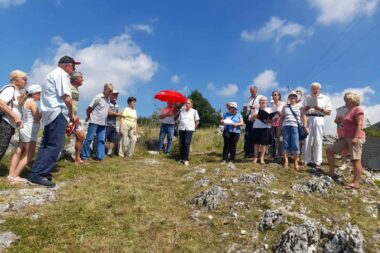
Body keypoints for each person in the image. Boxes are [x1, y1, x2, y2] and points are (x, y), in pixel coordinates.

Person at [28, 56, 80, 187]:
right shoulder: (62, 75)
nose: (74, 69)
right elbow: (67, 98)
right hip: (58, 113)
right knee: (55, 145)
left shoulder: (50, 75)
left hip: (49, 114)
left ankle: (36, 172)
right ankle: (39, 175)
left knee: (46, 144)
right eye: (73, 66)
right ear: (67, 66)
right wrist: (72, 115)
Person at [326, 92, 365, 189]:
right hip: (346, 137)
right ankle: (331, 172)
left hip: (356, 137)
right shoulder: (348, 111)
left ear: (353, 100)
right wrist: (342, 136)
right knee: (329, 151)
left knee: (355, 159)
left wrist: (356, 137)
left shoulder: (358, 109)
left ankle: (356, 183)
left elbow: (360, 124)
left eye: (346, 99)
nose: (345, 101)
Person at [8, 85, 41, 184]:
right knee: (30, 155)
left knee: (18, 152)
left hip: (24, 128)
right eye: (40, 94)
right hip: (29, 130)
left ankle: (11, 175)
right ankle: (15, 176)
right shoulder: (32, 102)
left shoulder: (26, 101)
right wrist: (44, 112)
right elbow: (37, 117)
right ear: (35, 94)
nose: (41, 96)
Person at [303, 82, 332, 169]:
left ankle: (318, 161)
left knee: (318, 139)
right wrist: (307, 107)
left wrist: (320, 108)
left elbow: (329, 112)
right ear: (311, 89)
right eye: (313, 88)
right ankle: (307, 160)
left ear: (319, 89)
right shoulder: (307, 98)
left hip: (319, 118)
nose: (314, 90)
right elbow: (302, 111)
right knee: (307, 140)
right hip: (309, 118)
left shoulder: (325, 98)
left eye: (316, 88)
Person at [81, 83, 113, 162]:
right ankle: (85, 156)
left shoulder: (108, 99)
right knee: (89, 139)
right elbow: (89, 108)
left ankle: (100, 157)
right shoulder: (98, 97)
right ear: (105, 89)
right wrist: (88, 117)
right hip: (94, 121)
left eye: (111, 91)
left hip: (103, 123)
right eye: (110, 91)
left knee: (101, 140)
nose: (111, 93)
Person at [0, 70, 27, 161]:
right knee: (1, 148)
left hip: (8, 124)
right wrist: (15, 117)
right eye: (24, 79)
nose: (26, 81)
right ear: (16, 80)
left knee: (2, 148)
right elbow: (1, 103)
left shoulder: (17, 92)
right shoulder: (10, 89)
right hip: (4, 123)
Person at [279, 92, 307, 171]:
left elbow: (304, 116)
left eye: (294, 96)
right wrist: (280, 128)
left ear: (296, 98)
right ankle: (286, 161)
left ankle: (296, 162)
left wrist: (305, 126)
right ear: (288, 98)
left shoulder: (300, 106)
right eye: (290, 96)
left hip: (295, 126)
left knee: (295, 144)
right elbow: (281, 118)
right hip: (286, 126)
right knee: (285, 143)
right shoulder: (285, 107)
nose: (292, 97)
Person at [70, 71, 86, 165]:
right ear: (76, 79)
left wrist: (75, 116)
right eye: (81, 77)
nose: (83, 79)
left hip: (73, 117)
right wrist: (71, 115)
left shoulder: (76, 90)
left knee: (80, 136)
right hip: (67, 117)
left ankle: (77, 159)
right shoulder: (69, 88)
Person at [178, 99, 200, 166]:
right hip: (181, 129)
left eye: (188, 103)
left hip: (189, 129)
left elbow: (197, 121)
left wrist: (194, 128)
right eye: (186, 103)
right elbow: (179, 120)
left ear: (191, 105)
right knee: (182, 143)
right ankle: (182, 159)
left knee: (187, 143)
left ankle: (186, 159)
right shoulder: (182, 111)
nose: (186, 104)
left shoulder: (194, 111)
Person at [243, 86, 263, 158]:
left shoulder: (260, 97)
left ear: (256, 90)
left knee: (256, 136)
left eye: (253, 91)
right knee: (248, 136)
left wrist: (255, 107)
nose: (251, 92)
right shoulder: (248, 99)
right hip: (249, 119)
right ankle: (248, 152)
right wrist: (245, 109)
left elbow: (263, 106)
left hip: (257, 119)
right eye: (250, 91)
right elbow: (246, 112)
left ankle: (255, 152)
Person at [250, 96, 272, 164]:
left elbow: (272, 120)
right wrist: (256, 115)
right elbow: (251, 119)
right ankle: (256, 158)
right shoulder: (256, 109)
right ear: (259, 102)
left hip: (265, 128)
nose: (263, 102)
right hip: (256, 127)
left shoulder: (269, 109)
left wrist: (268, 121)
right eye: (261, 100)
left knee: (263, 144)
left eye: (264, 100)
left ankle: (262, 158)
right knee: (256, 144)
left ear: (266, 102)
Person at [106, 90, 123, 157]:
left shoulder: (116, 105)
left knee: (114, 139)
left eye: (116, 95)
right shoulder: (107, 102)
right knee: (102, 139)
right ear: (110, 95)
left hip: (113, 125)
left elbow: (115, 114)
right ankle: (97, 152)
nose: (116, 96)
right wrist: (118, 114)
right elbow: (109, 113)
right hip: (106, 124)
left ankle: (109, 152)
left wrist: (119, 116)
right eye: (114, 95)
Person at [270, 91, 286, 159]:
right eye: (273, 95)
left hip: (280, 121)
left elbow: (285, 114)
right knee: (272, 138)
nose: (274, 96)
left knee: (280, 138)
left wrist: (280, 113)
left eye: (275, 95)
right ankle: (272, 153)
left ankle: (281, 153)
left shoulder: (283, 104)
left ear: (279, 96)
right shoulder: (271, 104)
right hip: (272, 122)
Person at [335, 102, 349, 170]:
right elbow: (335, 120)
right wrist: (338, 119)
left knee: (352, 146)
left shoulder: (355, 109)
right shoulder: (340, 109)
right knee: (343, 147)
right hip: (340, 129)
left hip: (350, 129)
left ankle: (355, 164)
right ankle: (344, 163)